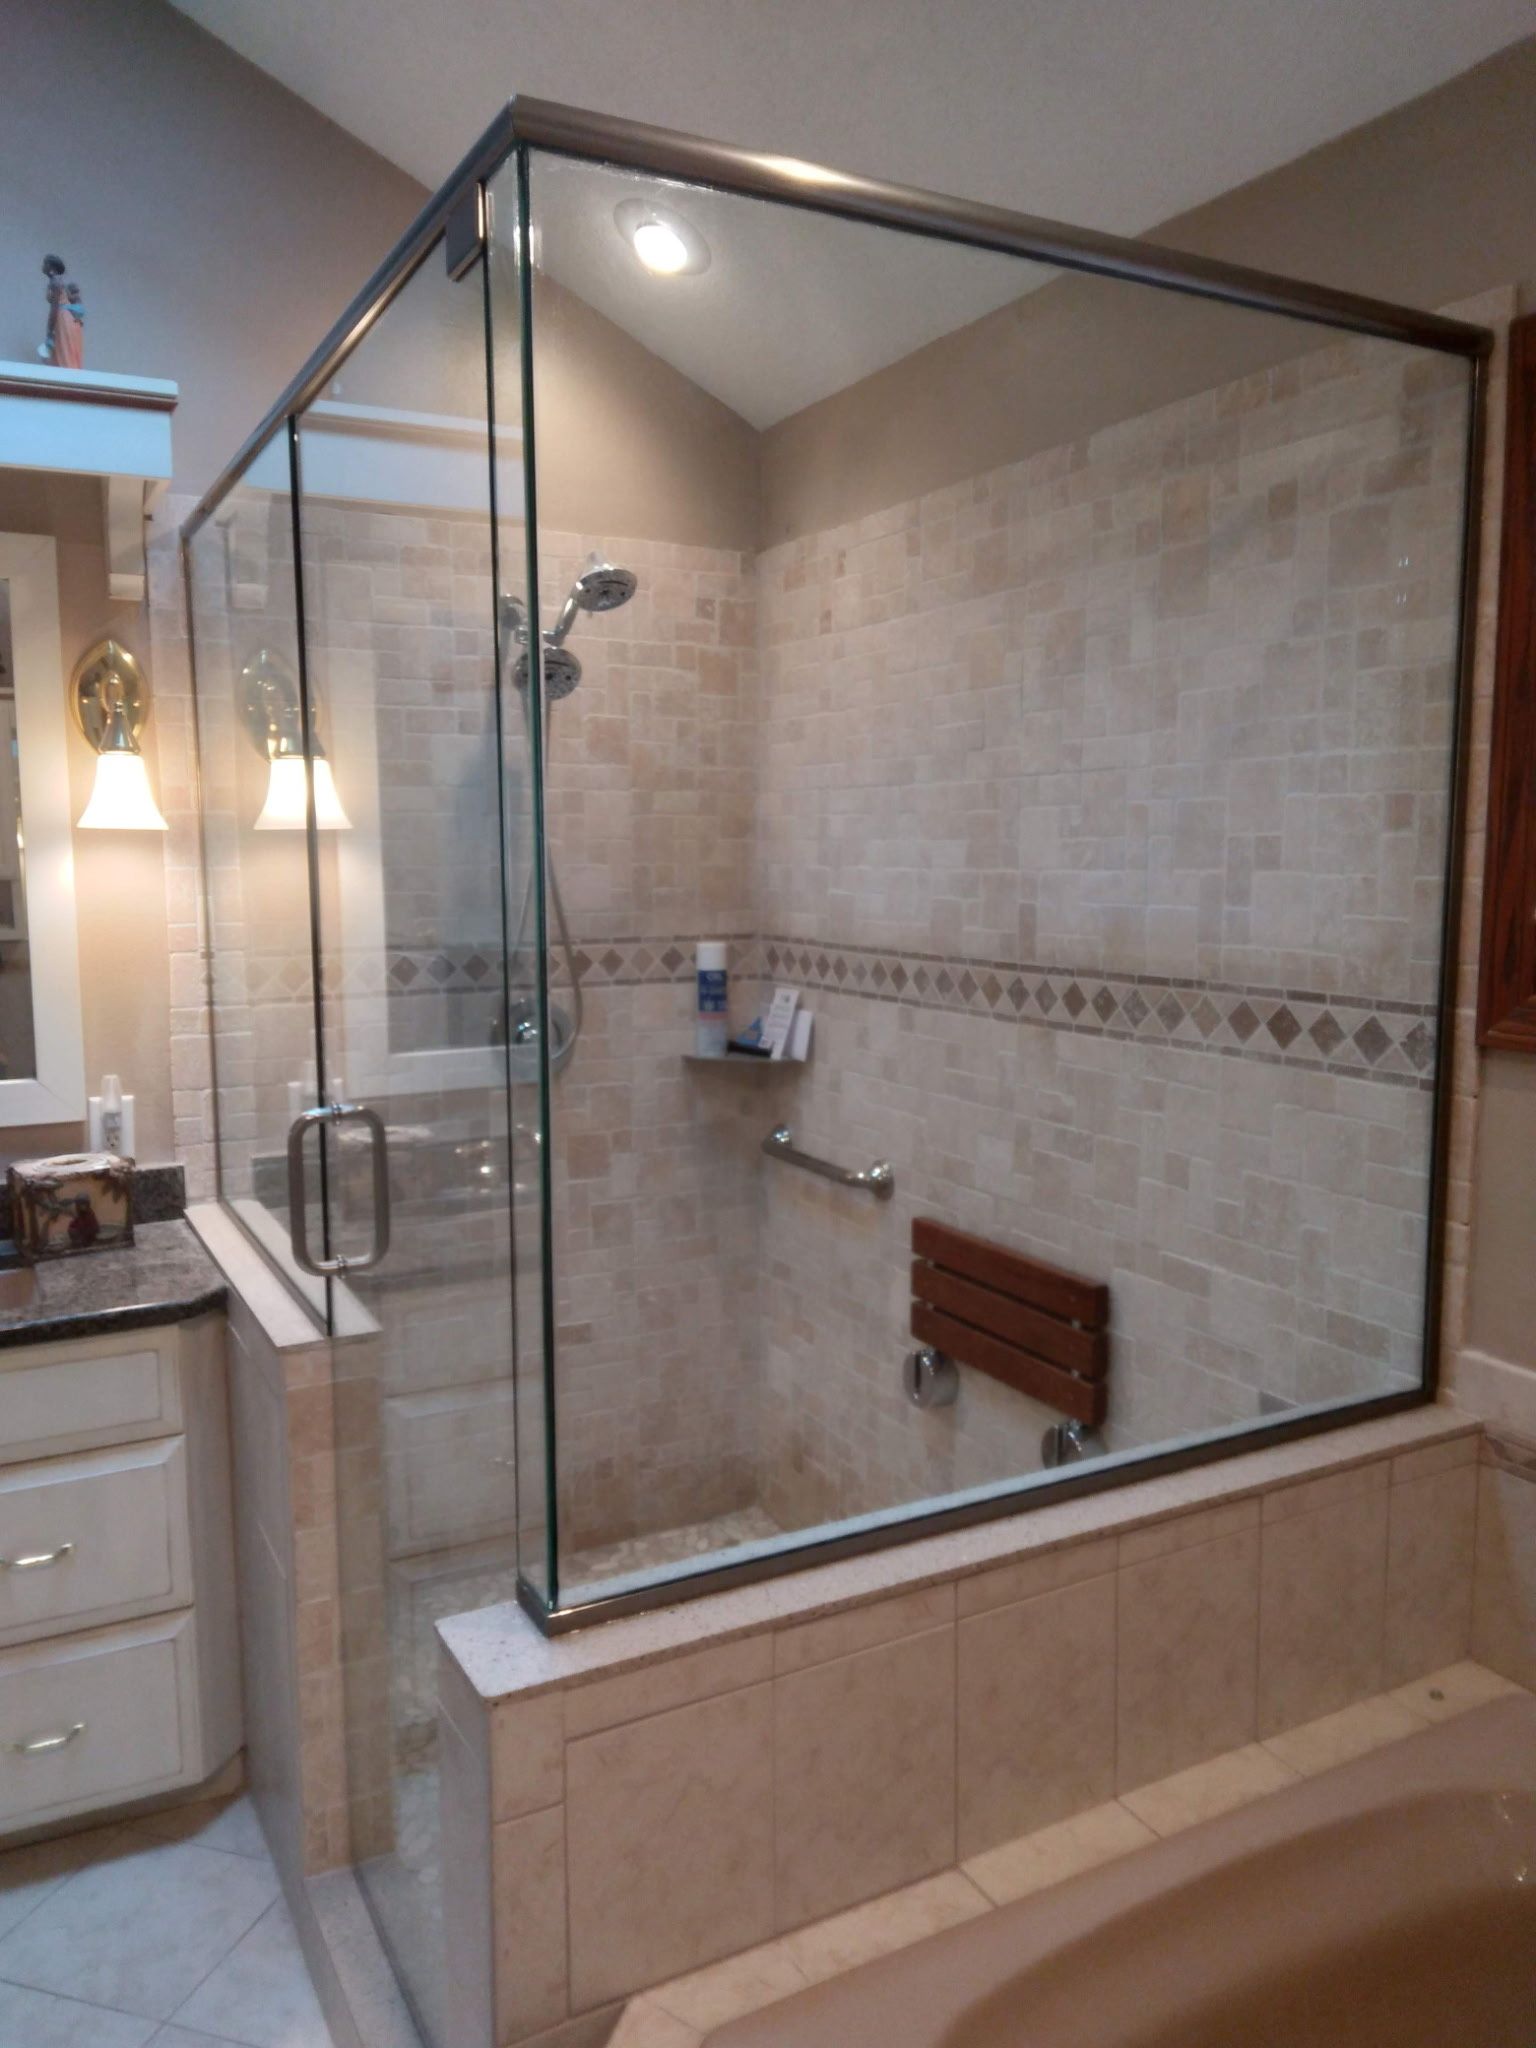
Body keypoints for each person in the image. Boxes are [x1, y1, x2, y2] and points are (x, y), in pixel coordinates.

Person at [38, 255, 84, 369]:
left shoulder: (55, 282)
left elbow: (54, 307)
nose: (43, 266)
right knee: (66, 348)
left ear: (51, 267)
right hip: (69, 318)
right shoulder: (60, 282)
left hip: (63, 318)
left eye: (45, 264)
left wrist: (49, 330)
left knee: (63, 348)